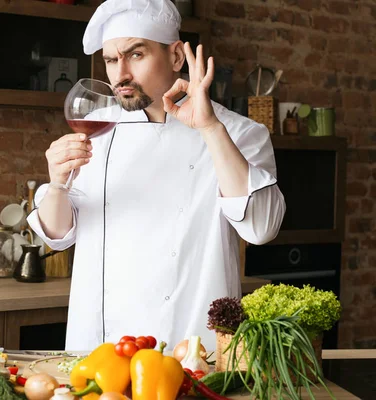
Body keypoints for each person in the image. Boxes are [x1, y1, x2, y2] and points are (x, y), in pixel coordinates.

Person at [27, 0, 286, 352]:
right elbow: (57, 236)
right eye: (111, 60)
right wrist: (57, 183)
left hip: (193, 347)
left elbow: (261, 228)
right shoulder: (99, 132)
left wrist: (209, 128)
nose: (121, 75)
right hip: (101, 349)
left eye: (136, 55)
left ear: (177, 57)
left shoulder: (239, 133)